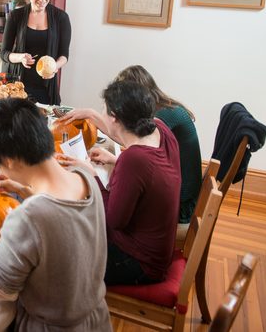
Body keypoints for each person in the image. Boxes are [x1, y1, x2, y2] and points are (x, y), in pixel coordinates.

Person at [0, 98, 110, 331]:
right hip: (97, 320)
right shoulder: (85, 177)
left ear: (8, 160)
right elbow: (61, 224)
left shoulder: (29, 218)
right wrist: (23, 190)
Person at [58, 81, 181, 285]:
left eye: (104, 112)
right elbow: (154, 173)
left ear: (114, 118)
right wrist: (115, 160)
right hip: (158, 246)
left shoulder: (134, 159)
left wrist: (92, 175)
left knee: (59, 249)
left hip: (139, 263)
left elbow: (113, 220)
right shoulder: (160, 129)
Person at [114, 65, 202, 224]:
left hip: (181, 207)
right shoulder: (168, 107)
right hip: (183, 196)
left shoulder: (162, 117)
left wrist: (94, 117)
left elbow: (137, 148)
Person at [0, 0, 71, 105]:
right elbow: (4, 53)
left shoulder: (61, 18)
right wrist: (20, 57)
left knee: (44, 124)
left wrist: (55, 66)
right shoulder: (16, 16)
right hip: (17, 84)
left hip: (46, 86)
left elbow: (64, 54)